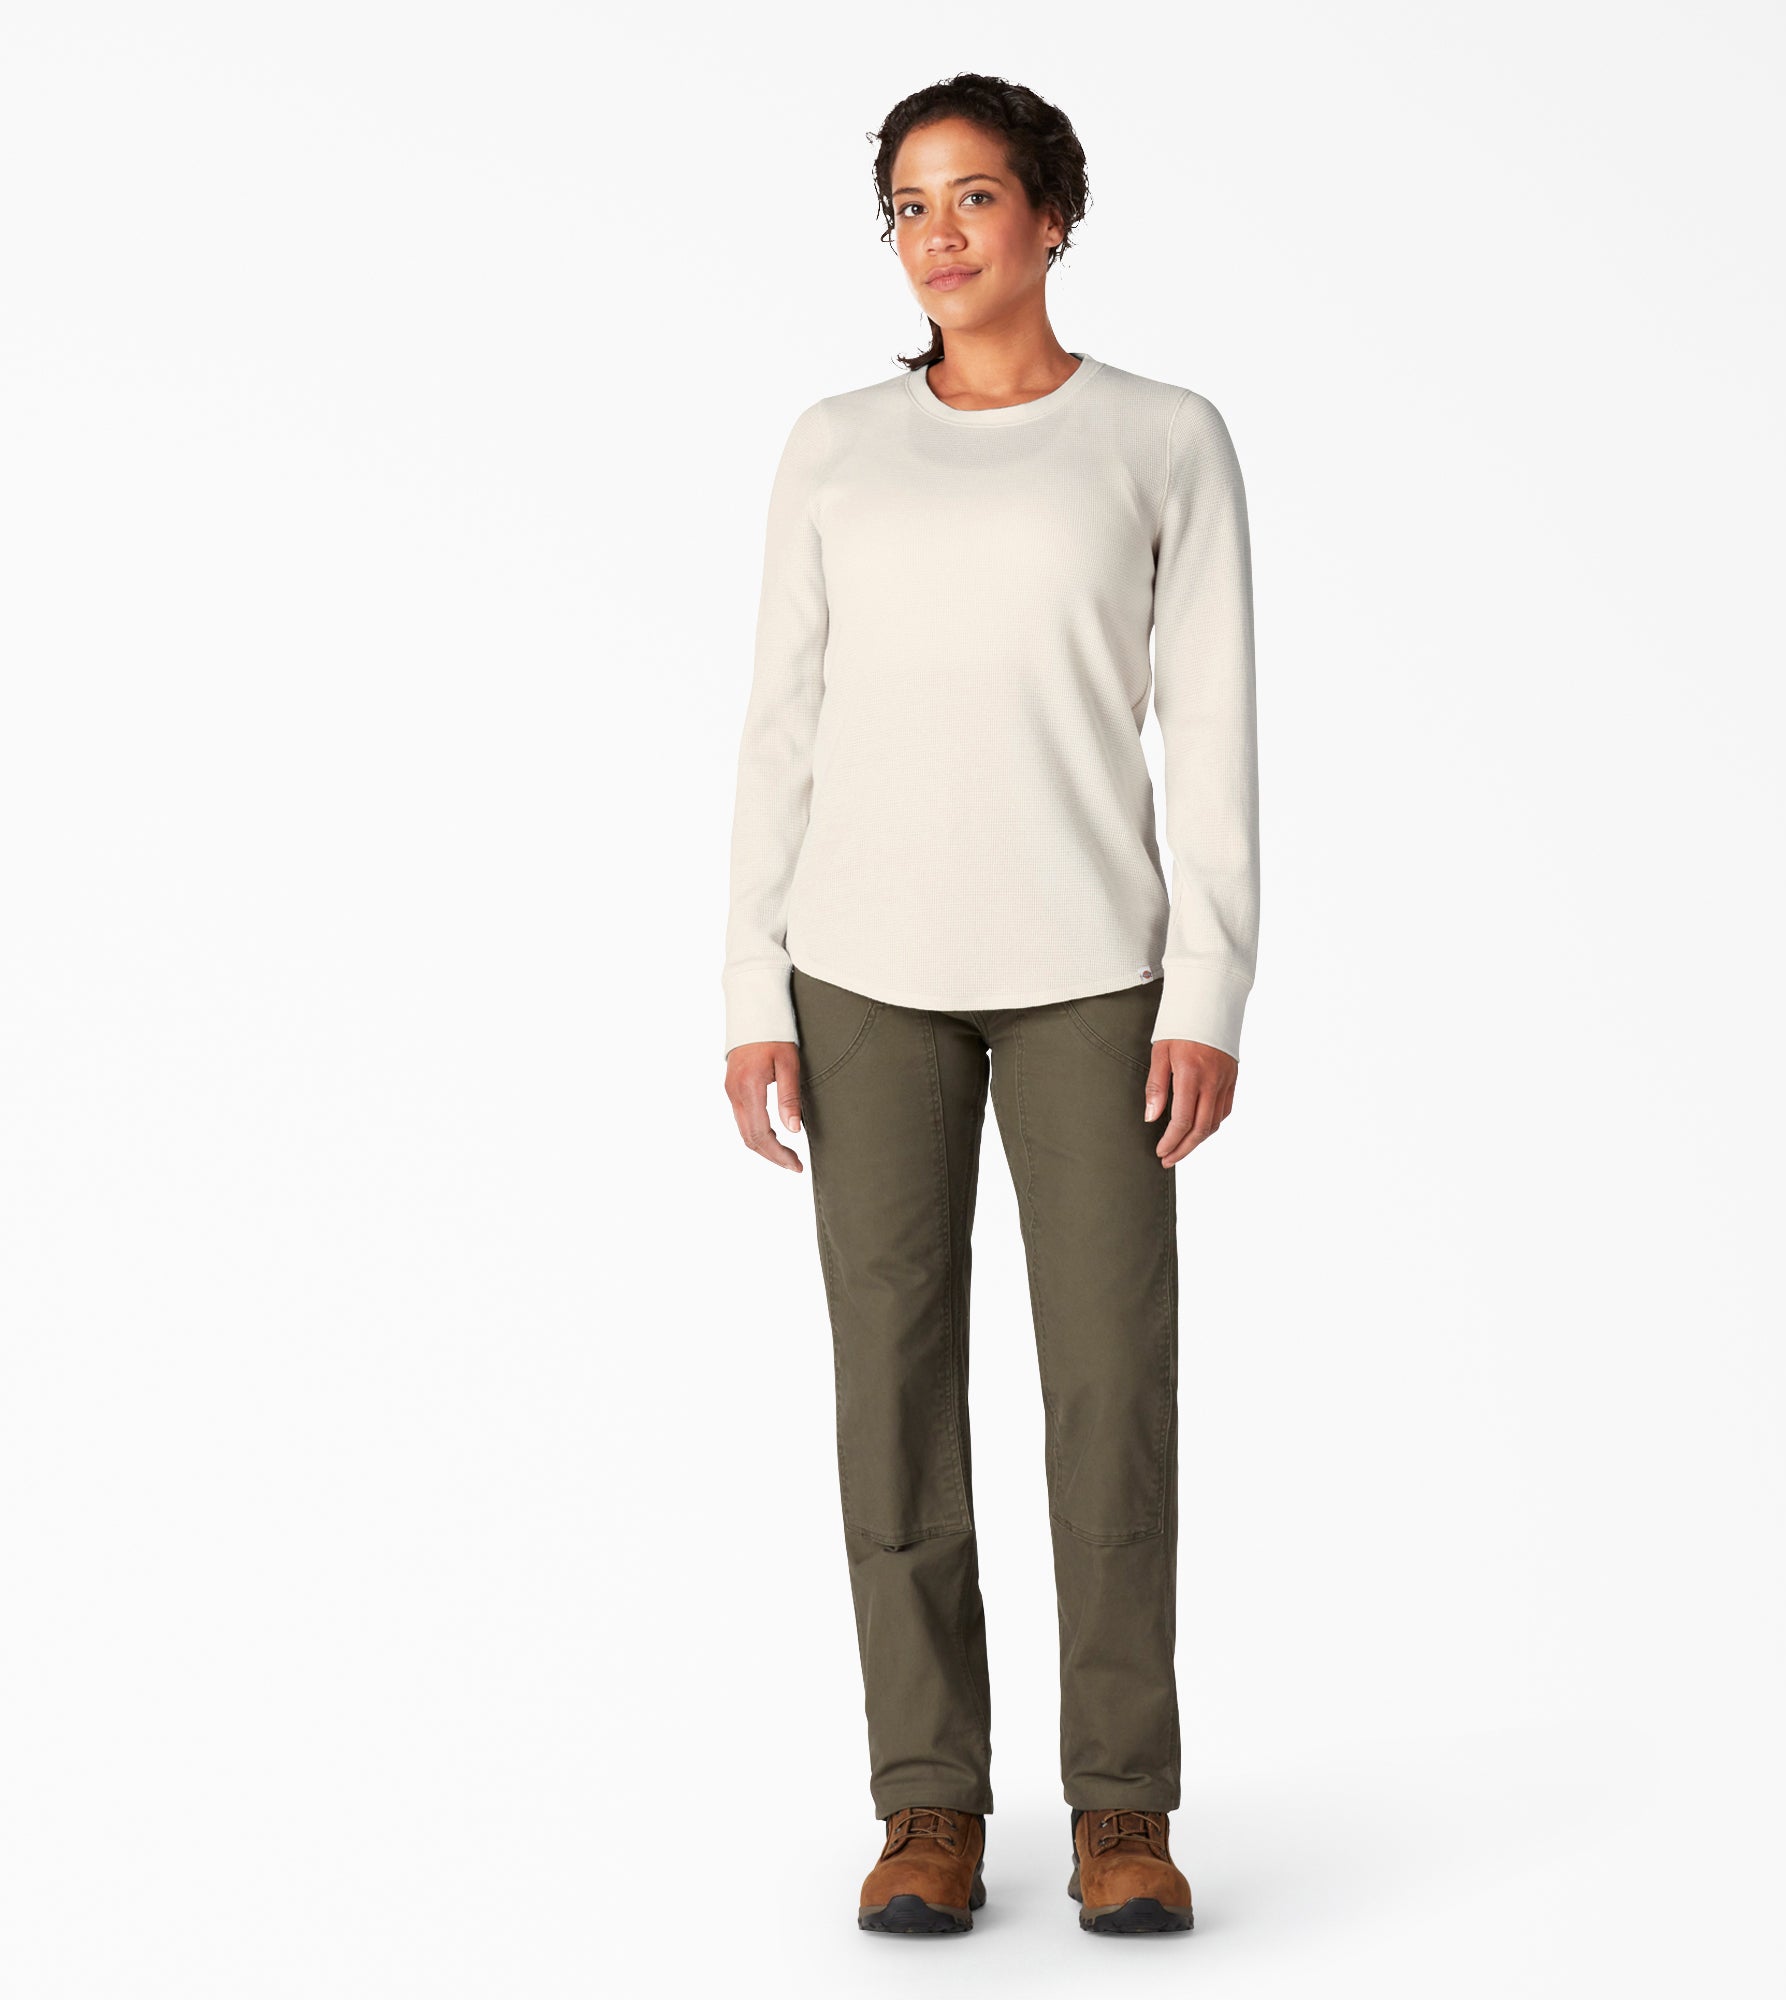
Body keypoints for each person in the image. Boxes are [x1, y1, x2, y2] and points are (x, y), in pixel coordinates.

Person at [719, 71, 1258, 1938]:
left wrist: (1210, 984)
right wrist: (752, 984)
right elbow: (780, 726)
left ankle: (1123, 1806)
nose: (937, 234)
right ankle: (927, 1805)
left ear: (1052, 214)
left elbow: (1214, 732)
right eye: (907, 205)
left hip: (1094, 977)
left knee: (1110, 1392)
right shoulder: (835, 448)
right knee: (892, 1393)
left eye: (972, 196)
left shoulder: (1163, 440)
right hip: (860, 973)